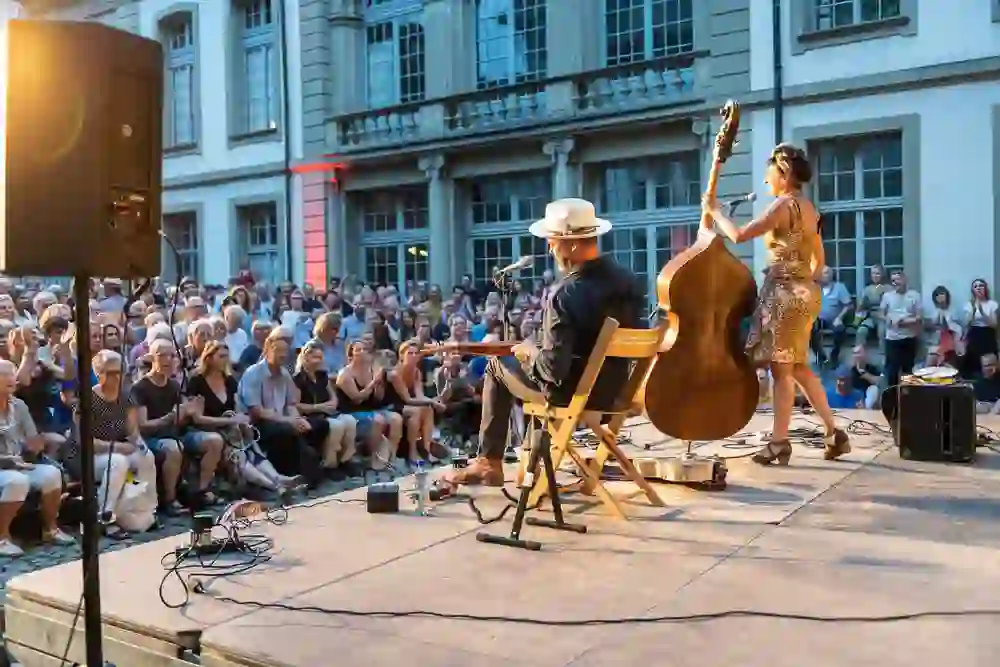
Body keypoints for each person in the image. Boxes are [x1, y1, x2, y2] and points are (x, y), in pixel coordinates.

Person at [446, 198, 647, 488]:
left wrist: (527, 350)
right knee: (534, 369)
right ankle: (531, 461)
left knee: (496, 366)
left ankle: (489, 462)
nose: (550, 249)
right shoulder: (628, 281)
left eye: (553, 242)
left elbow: (552, 370)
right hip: (615, 394)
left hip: (575, 397)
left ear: (573, 244)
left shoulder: (565, 293)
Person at [703, 143, 850, 464]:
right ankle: (833, 433)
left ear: (783, 175)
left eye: (770, 173)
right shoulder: (810, 209)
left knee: (781, 372)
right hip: (805, 292)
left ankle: (779, 442)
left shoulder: (784, 205)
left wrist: (715, 212)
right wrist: (800, 278)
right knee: (798, 367)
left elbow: (740, 235)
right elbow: (819, 262)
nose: (766, 179)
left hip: (785, 293)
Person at [0, 359, 72, 556]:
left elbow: (32, 439)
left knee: (51, 474)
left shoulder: (19, 406)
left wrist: (36, 447)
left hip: (19, 463)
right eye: (4, 375)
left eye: (12, 374)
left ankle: (50, 529)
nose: (11, 379)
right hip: (3, 467)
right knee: (18, 481)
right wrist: (8, 461)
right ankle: (2, 538)